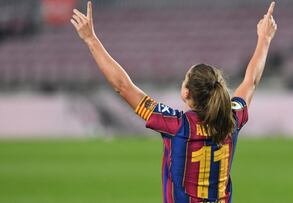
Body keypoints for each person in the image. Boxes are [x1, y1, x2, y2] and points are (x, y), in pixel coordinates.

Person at [71, 1, 277, 202]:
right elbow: (251, 81)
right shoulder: (232, 118)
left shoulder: (176, 125)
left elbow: (123, 86)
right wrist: (264, 39)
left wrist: (91, 39)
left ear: (186, 93)